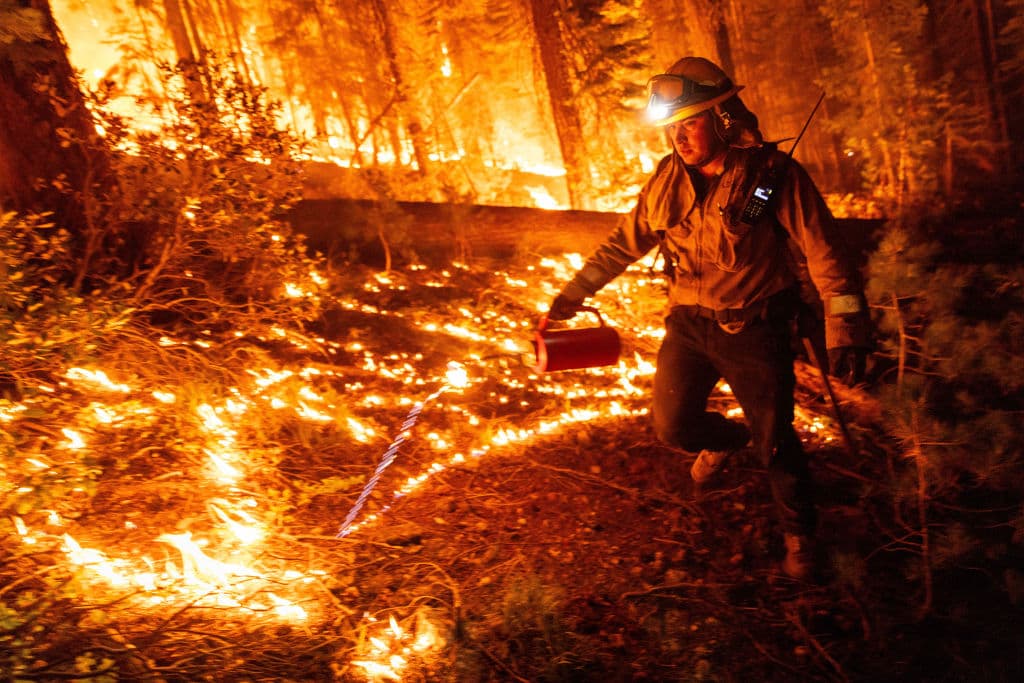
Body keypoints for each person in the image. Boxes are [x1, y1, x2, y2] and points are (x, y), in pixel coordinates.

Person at [546, 57, 871, 580]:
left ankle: (799, 533)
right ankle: (723, 442)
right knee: (673, 425)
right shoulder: (665, 180)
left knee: (776, 437)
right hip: (689, 326)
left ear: (722, 119)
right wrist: (570, 296)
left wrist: (847, 327)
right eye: (672, 127)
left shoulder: (772, 177)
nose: (679, 138)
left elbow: (827, 253)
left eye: (690, 123)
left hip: (753, 328)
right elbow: (620, 245)